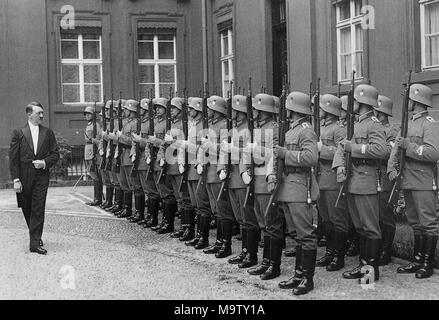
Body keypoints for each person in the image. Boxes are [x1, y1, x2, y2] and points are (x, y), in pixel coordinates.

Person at [333, 84, 387, 283]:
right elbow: (342, 147)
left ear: (363, 102)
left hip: (366, 179)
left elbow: (381, 150)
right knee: (360, 226)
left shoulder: (373, 123)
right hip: (353, 178)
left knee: (370, 226)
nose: (352, 105)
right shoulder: (355, 123)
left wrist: (354, 148)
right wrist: (339, 165)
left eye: (354, 101)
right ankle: (364, 264)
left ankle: (370, 271)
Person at [270, 92, 320, 295]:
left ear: (294, 108)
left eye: (288, 107)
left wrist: (285, 154)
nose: (286, 110)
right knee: (297, 234)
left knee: (305, 234)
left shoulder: (306, 131)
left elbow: (311, 158)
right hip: (287, 186)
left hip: (300, 186)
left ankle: (307, 279)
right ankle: (299, 274)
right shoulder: (290, 130)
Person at [388, 83, 439, 279]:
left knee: (428, 222)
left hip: (424, 181)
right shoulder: (408, 122)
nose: (407, 102)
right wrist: (392, 167)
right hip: (408, 179)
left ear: (417, 100)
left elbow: (433, 153)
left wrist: (409, 146)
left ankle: (427, 262)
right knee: (415, 222)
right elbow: (396, 148)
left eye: (409, 98)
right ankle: (417, 260)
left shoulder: (429, 123)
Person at [9, 102, 60, 255]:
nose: (42, 116)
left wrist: (44, 162)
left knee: (38, 208)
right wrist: (16, 180)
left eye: (42, 113)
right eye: (39, 113)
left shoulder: (48, 133)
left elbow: (55, 154)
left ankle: (34, 242)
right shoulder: (18, 133)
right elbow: (13, 158)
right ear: (29, 114)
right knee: (27, 207)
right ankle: (35, 234)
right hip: (24, 177)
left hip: (41, 177)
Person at [315, 94, 349, 272]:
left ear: (328, 110)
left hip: (333, 180)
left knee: (337, 219)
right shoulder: (319, 127)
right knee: (326, 219)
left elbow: (341, 151)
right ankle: (329, 252)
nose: (318, 111)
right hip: (320, 179)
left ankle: (338, 256)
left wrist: (322, 149)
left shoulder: (339, 129)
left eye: (321, 108)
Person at [374, 95, 398, 266]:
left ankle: (385, 250)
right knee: (373, 213)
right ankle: (375, 247)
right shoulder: (373, 128)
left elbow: (388, 152)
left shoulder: (392, 131)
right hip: (372, 174)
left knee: (385, 214)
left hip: (384, 174)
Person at [83, 106, 103, 206]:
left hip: (93, 153)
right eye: (86, 114)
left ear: (93, 115)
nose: (87, 115)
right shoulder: (89, 125)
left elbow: (99, 141)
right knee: (93, 175)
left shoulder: (96, 126)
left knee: (96, 176)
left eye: (89, 114)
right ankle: (96, 198)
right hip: (88, 152)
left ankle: (98, 199)